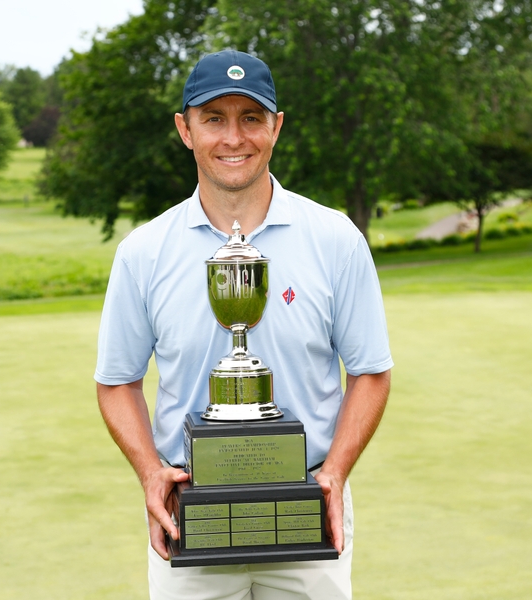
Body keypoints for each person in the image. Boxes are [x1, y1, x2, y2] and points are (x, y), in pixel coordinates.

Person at [95, 50, 393, 600]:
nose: (234, 138)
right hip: (191, 515)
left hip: (308, 508)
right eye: (214, 118)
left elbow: (371, 371)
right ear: (185, 130)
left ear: (276, 127)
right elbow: (116, 382)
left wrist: (335, 472)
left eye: (251, 118)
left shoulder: (336, 239)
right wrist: (150, 472)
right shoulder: (143, 252)